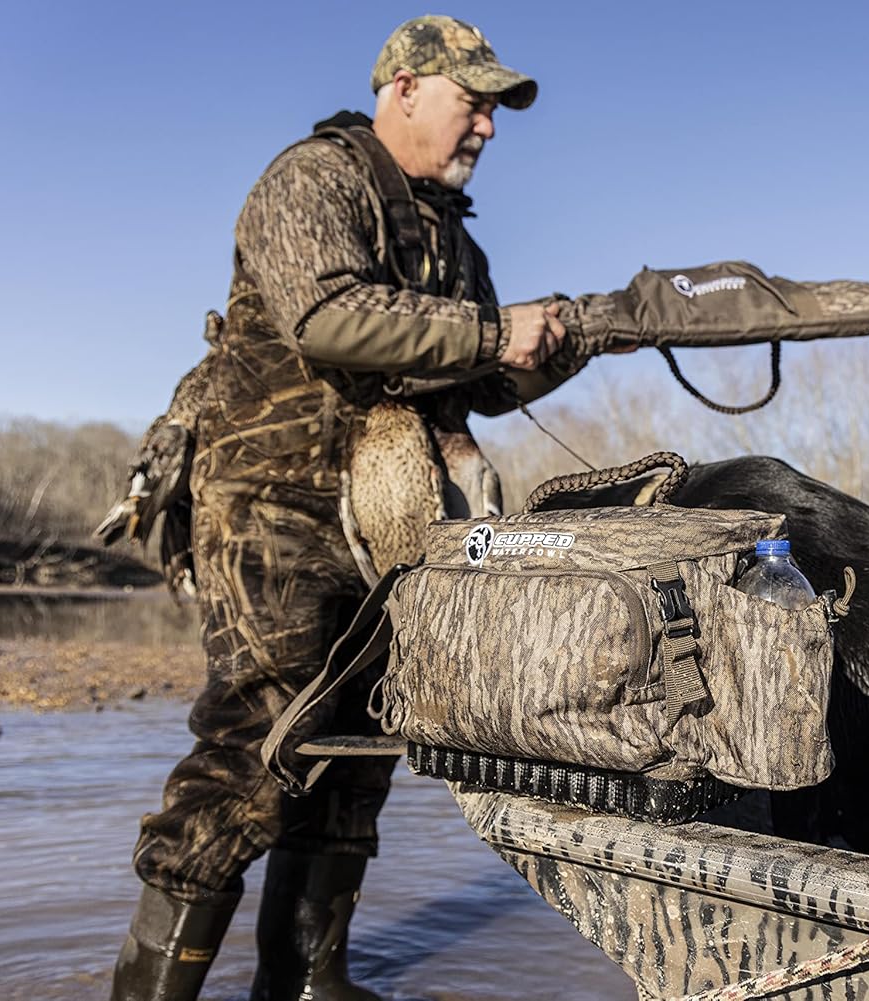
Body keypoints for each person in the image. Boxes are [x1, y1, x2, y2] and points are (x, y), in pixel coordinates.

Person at [109, 16, 597, 1000]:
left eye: (498, 109)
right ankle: (150, 989)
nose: (490, 128)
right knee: (257, 746)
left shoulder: (454, 240)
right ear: (405, 88)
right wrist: (498, 331)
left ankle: (304, 980)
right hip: (272, 505)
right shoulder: (315, 177)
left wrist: (567, 341)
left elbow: (480, 378)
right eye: (475, 102)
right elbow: (331, 317)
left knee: (361, 754)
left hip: (392, 521)